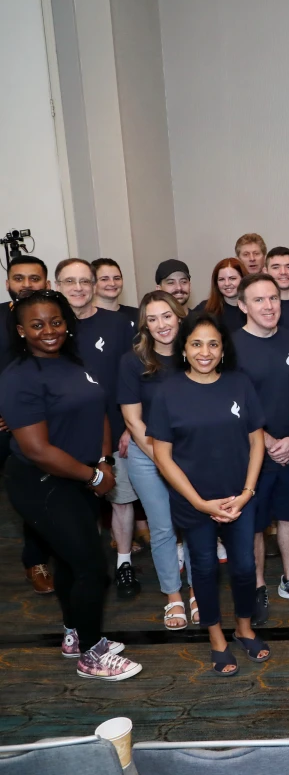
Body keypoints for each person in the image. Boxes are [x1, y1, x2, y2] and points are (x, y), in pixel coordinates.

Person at [0, 289, 141, 680]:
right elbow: (37, 449)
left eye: (56, 322)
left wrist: (101, 459)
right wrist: (95, 477)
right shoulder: (19, 377)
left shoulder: (72, 361)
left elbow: (97, 411)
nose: (49, 331)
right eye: (38, 324)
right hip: (43, 483)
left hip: (81, 475)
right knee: (92, 568)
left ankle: (75, 634)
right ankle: (92, 654)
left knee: (68, 561)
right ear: (21, 330)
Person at [149, 312, 268, 675]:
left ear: (222, 349)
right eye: (197, 343)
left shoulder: (239, 384)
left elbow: (256, 440)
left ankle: (244, 628)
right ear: (184, 348)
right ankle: (216, 636)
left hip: (239, 498)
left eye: (213, 344)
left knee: (246, 567)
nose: (205, 351)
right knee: (202, 567)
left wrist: (247, 492)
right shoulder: (167, 391)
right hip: (193, 502)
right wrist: (199, 502)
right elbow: (162, 456)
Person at [234, 273, 289, 623]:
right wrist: (268, 439)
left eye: (273, 298)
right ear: (242, 305)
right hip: (253, 453)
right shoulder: (231, 347)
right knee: (255, 524)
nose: (269, 306)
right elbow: (232, 403)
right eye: (258, 300)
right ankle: (258, 586)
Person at [55, 258, 140, 600]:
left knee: (120, 500)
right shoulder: (52, 328)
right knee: (77, 507)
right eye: (69, 281)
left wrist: (129, 427)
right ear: (57, 285)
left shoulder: (119, 324)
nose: (78, 288)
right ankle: (88, 565)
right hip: (66, 436)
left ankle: (123, 562)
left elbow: (133, 377)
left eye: (84, 281)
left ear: (93, 285)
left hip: (116, 432)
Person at [119, 291, 198, 630]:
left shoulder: (195, 353)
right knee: (163, 526)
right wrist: (162, 460)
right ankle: (173, 596)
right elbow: (134, 421)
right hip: (147, 455)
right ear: (145, 325)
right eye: (152, 319)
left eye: (166, 316)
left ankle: (197, 591)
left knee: (194, 524)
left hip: (192, 452)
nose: (161, 325)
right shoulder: (132, 361)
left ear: (179, 315)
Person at [0, 255, 54, 595]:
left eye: (35, 279)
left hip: (40, 424)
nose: (27, 285)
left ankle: (36, 561)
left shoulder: (51, 319)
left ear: (46, 284)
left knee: (37, 492)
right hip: (1, 424)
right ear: (8, 283)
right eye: (19, 278)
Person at [200, 257, 247, 330]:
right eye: (221, 279)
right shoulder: (204, 309)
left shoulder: (254, 308)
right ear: (216, 283)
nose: (227, 283)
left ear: (243, 279)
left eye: (232, 278)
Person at [91, 258, 140, 323]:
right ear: (92, 283)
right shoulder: (83, 317)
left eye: (117, 278)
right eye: (104, 279)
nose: (112, 283)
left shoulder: (138, 315)